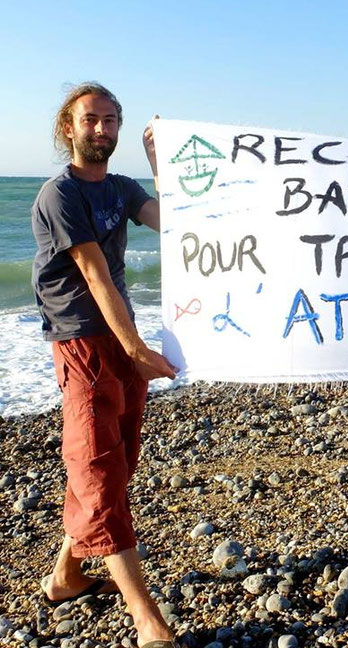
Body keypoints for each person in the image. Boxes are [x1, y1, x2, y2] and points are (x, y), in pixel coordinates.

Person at [31, 82, 179, 648]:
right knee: (97, 466)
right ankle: (148, 619)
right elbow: (93, 274)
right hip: (82, 342)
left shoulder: (121, 186)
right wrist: (139, 350)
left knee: (114, 464)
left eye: (112, 120)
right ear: (68, 127)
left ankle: (67, 576)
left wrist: (157, 162)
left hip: (121, 337)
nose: (103, 130)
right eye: (92, 120)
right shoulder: (58, 194)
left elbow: (176, 224)